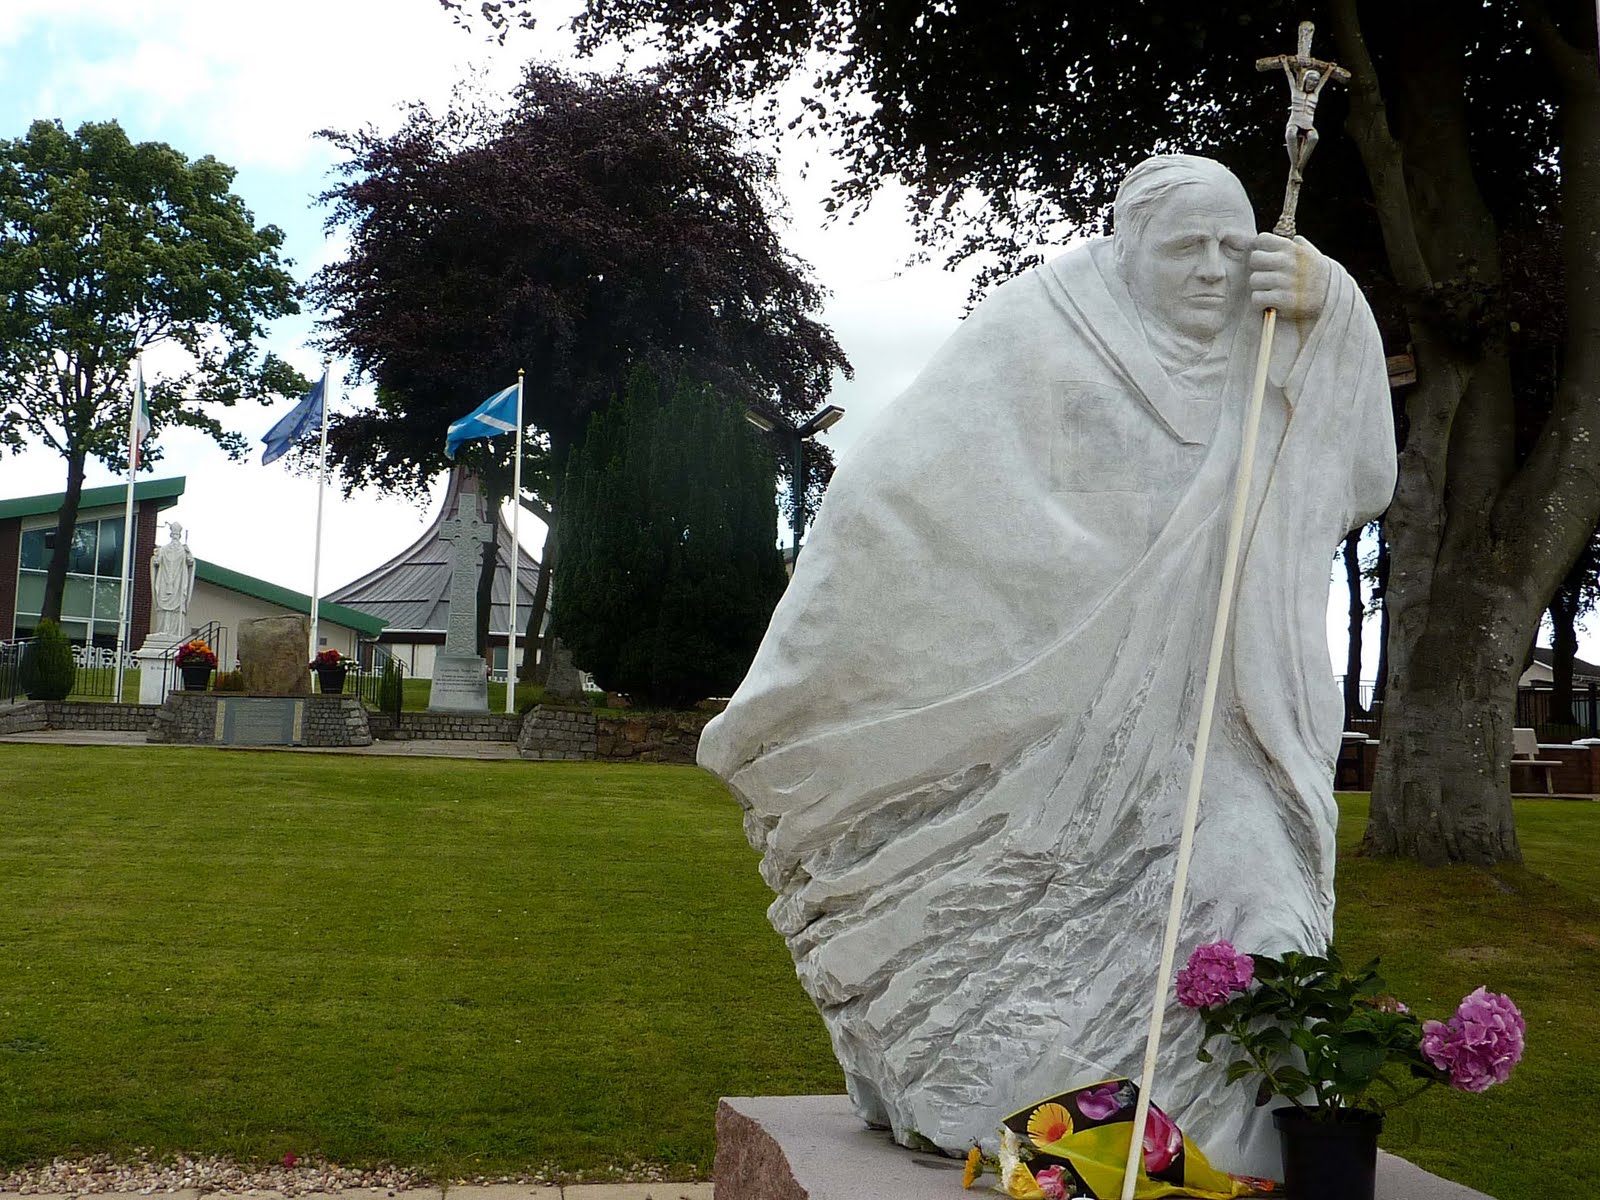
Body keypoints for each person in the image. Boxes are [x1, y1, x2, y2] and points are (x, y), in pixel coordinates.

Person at [697, 155, 1396, 1176]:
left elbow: (1361, 474)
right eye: (1185, 248)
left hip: (1224, 713)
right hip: (1051, 713)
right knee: (1012, 939)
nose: (1215, 269)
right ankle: (1027, 1103)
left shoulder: (1273, 334)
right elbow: (897, 496)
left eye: (1232, 244)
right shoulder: (1043, 326)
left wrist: (1331, 307)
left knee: (1261, 908)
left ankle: (1230, 1136)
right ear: (1125, 249)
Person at [149, 521, 195, 639]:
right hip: (164, 581)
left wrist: (188, 553)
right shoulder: (164, 549)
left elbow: (190, 563)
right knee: (162, 606)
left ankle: (174, 632)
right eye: (174, 535)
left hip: (178, 583)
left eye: (177, 535)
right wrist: (156, 558)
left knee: (176, 608)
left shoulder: (183, 550)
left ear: (180, 536)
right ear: (171, 535)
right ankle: (162, 630)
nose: (175, 537)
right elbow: (157, 562)